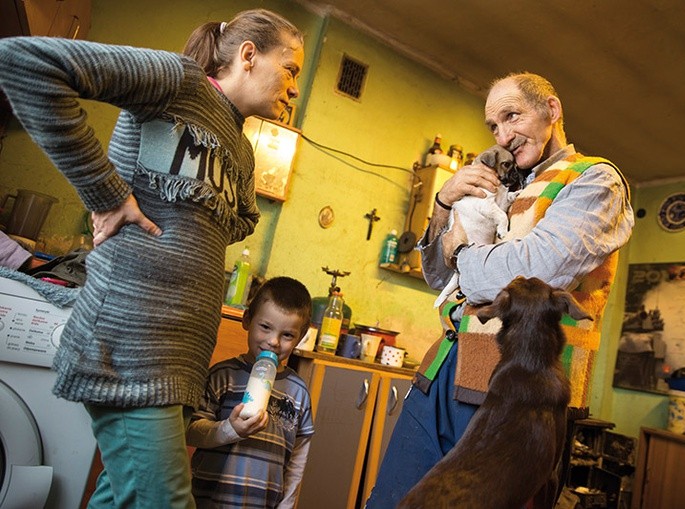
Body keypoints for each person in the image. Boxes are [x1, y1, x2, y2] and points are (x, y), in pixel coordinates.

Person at [0, 9, 304, 508]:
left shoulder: (243, 149)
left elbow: (241, 217)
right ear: (249, 56)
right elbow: (25, 62)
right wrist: (106, 193)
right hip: (130, 339)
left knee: (119, 498)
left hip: (180, 358)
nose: (293, 87)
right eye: (290, 69)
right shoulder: (177, 81)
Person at [367, 72, 634, 508]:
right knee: (392, 502)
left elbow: (534, 272)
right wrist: (442, 205)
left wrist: (461, 252)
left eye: (513, 116)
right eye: (493, 126)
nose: (503, 136)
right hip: (441, 369)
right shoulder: (501, 180)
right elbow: (438, 277)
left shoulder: (594, 181)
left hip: (521, 392)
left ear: (552, 110)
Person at [187, 276, 314, 508]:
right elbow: (191, 432)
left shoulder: (298, 392)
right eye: (265, 327)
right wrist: (230, 429)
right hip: (209, 501)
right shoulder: (223, 375)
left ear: (301, 337)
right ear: (247, 319)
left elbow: (297, 459)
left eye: (287, 335)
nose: (273, 342)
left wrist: (286, 505)